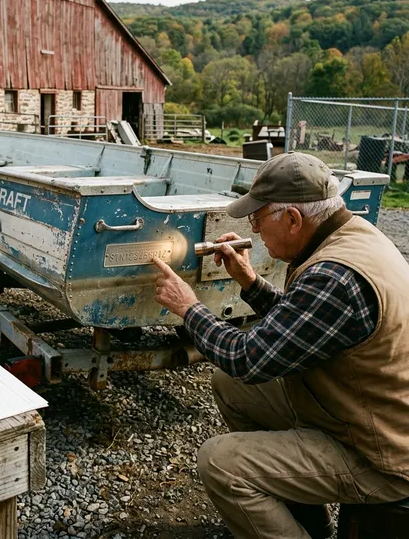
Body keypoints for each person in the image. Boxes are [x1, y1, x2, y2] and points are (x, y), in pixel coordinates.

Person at [153, 152, 409, 539]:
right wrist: (251, 283)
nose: (253, 231)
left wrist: (188, 307)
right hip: (361, 411)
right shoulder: (352, 236)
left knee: (220, 463)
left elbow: (247, 358)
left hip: (380, 454)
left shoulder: (335, 277)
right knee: (230, 386)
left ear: (293, 220)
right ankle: (310, 524)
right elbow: (306, 324)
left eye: (258, 218)